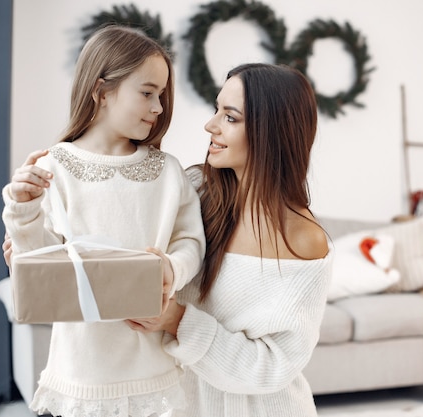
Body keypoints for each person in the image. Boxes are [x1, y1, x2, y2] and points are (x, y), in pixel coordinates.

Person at [1, 25, 205, 417]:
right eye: (147, 93)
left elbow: (190, 242)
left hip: (153, 369)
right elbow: (37, 264)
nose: (159, 107)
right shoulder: (53, 167)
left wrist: (170, 269)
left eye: (161, 95)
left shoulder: (168, 172)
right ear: (101, 91)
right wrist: (24, 208)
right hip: (82, 370)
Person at [126, 63, 332, 417]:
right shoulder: (194, 190)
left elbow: (272, 367)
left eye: (231, 117)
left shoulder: (304, 240)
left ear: (272, 132)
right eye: (216, 109)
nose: (211, 125)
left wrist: (177, 320)